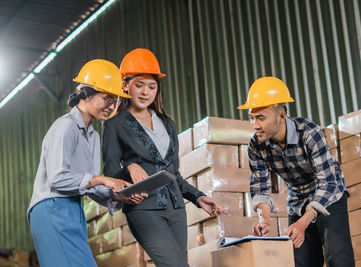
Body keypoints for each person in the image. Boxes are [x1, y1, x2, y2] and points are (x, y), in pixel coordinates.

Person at [102, 48, 227, 267]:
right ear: (125, 85)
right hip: (144, 209)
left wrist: (198, 197)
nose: (145, 92)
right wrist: (130, 167)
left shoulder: (168, 124)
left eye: (152, 86)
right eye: (138, 85)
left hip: (176, 209)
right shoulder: (115, 125)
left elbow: (173, 174)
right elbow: (111, 175)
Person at [28, 59, 143, 267]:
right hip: (51, 207)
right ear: (87, 94)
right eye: (107, 99)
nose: (111, 106)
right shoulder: (65, 127)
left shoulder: (93, 136)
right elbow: (57, 179)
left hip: (72, 208)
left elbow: (88, 186)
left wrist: (119, 195)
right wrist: (103, 179)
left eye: (115, 101)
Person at [238, 77, 355, 267]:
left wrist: (303, 223)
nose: (255, 125)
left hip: (329, 196)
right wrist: (265, 219)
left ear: (281, 115)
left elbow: (328, 183)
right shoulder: (256, 145)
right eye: (251, 118)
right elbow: (260, 187)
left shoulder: (309, 133)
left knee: (338, 259)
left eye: (261, 118)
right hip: (297, 200)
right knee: (302, 263)